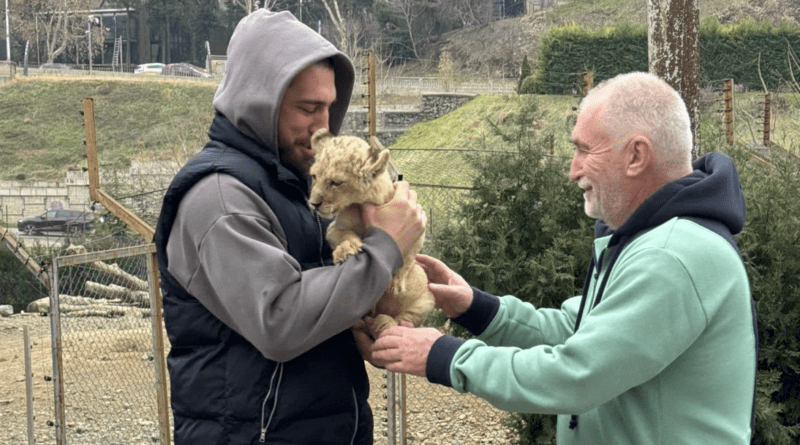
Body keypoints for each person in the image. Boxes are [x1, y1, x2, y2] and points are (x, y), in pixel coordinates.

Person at [373, 71, 758, 444]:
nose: (573, 170)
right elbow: (580, 331)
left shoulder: (673, 255)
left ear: (636, 155)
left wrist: (442, 355)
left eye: (585, 150)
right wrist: (477, 308)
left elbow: (576, 374)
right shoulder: (646, 237)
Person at [153, 10, 426, 445]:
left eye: (330, 107)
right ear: (260, 100)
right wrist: (385, 249)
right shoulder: (221, 200)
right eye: (307, 108)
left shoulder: (292, 181)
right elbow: (280, 321)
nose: (323, 124)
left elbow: (326, 296)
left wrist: (377, 312)